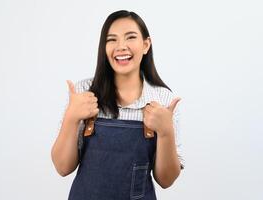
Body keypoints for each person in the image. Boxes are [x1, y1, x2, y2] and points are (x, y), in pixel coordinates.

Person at [51, 10, 184, 200]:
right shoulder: (83, 93)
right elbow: (62, 168)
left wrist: (166, 132)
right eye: (111, 39)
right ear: (104, 48)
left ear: (146, 45)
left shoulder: (164, 100)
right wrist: (71, 118)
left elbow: (166, 180)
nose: (121, 46)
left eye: (130, 37)